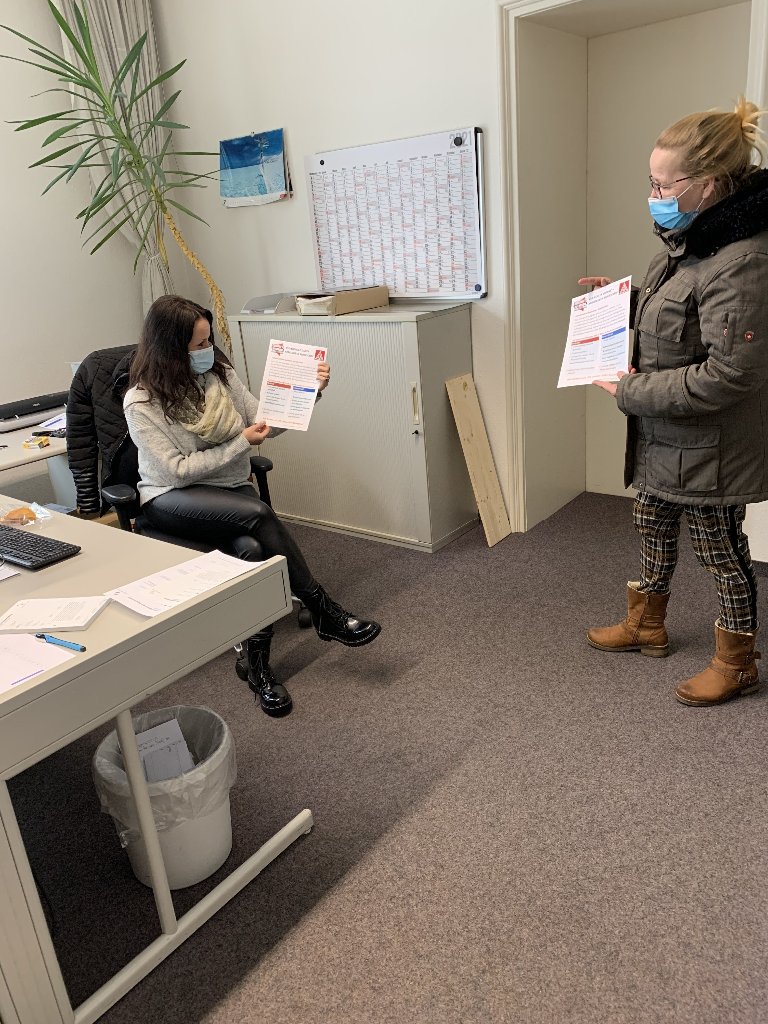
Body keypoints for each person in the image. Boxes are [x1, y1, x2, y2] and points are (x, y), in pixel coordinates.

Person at [583, 97, 768, 707]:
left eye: (664, 185)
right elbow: (683, 312)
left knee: (720, 551)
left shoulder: (743, 259)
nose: (654, 195)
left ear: (708, 185)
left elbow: (729, 374)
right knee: (651, 525)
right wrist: (625, 299)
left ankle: (737, 663)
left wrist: (630, 391)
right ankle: (646, 626)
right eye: (651, 182)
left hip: (710, 446)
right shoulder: (690, 240)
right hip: (667, 434)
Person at [123, 295, 381, 717]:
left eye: (208, 340)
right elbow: (178, 471)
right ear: (170, 348)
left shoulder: (219, 376)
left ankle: (257, 668)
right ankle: (322, 608)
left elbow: (264, 422)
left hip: (229, 490)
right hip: (170, 497)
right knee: (259, 513)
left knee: (252, 552)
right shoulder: (142, 403)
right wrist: (241, 442)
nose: (208, 350)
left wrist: (308, 392)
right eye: (198, 344)